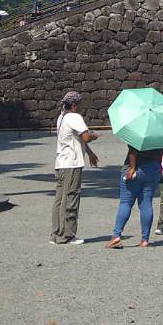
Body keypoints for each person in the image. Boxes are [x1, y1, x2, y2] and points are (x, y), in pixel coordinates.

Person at [52, 92, 98, 245]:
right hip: (72, 163)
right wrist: (93, 135)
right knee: (71, 197)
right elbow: (85, 137)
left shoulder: (61, 117)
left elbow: (76, 139)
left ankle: (56, 233)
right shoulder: (75, 117)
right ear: (74, 105)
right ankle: (68, 235)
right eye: (79, 104)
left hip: (61, 162)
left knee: (59, 200)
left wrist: (90, 152)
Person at [109, 142, 163, 248]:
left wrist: (133, 168)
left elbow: (133, 151)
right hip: (153, 170)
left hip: (136, 169)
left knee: (126, 203)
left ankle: (116, 235)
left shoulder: (138, 132)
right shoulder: (161, 134)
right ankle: (145, 239)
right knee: (146, 203)